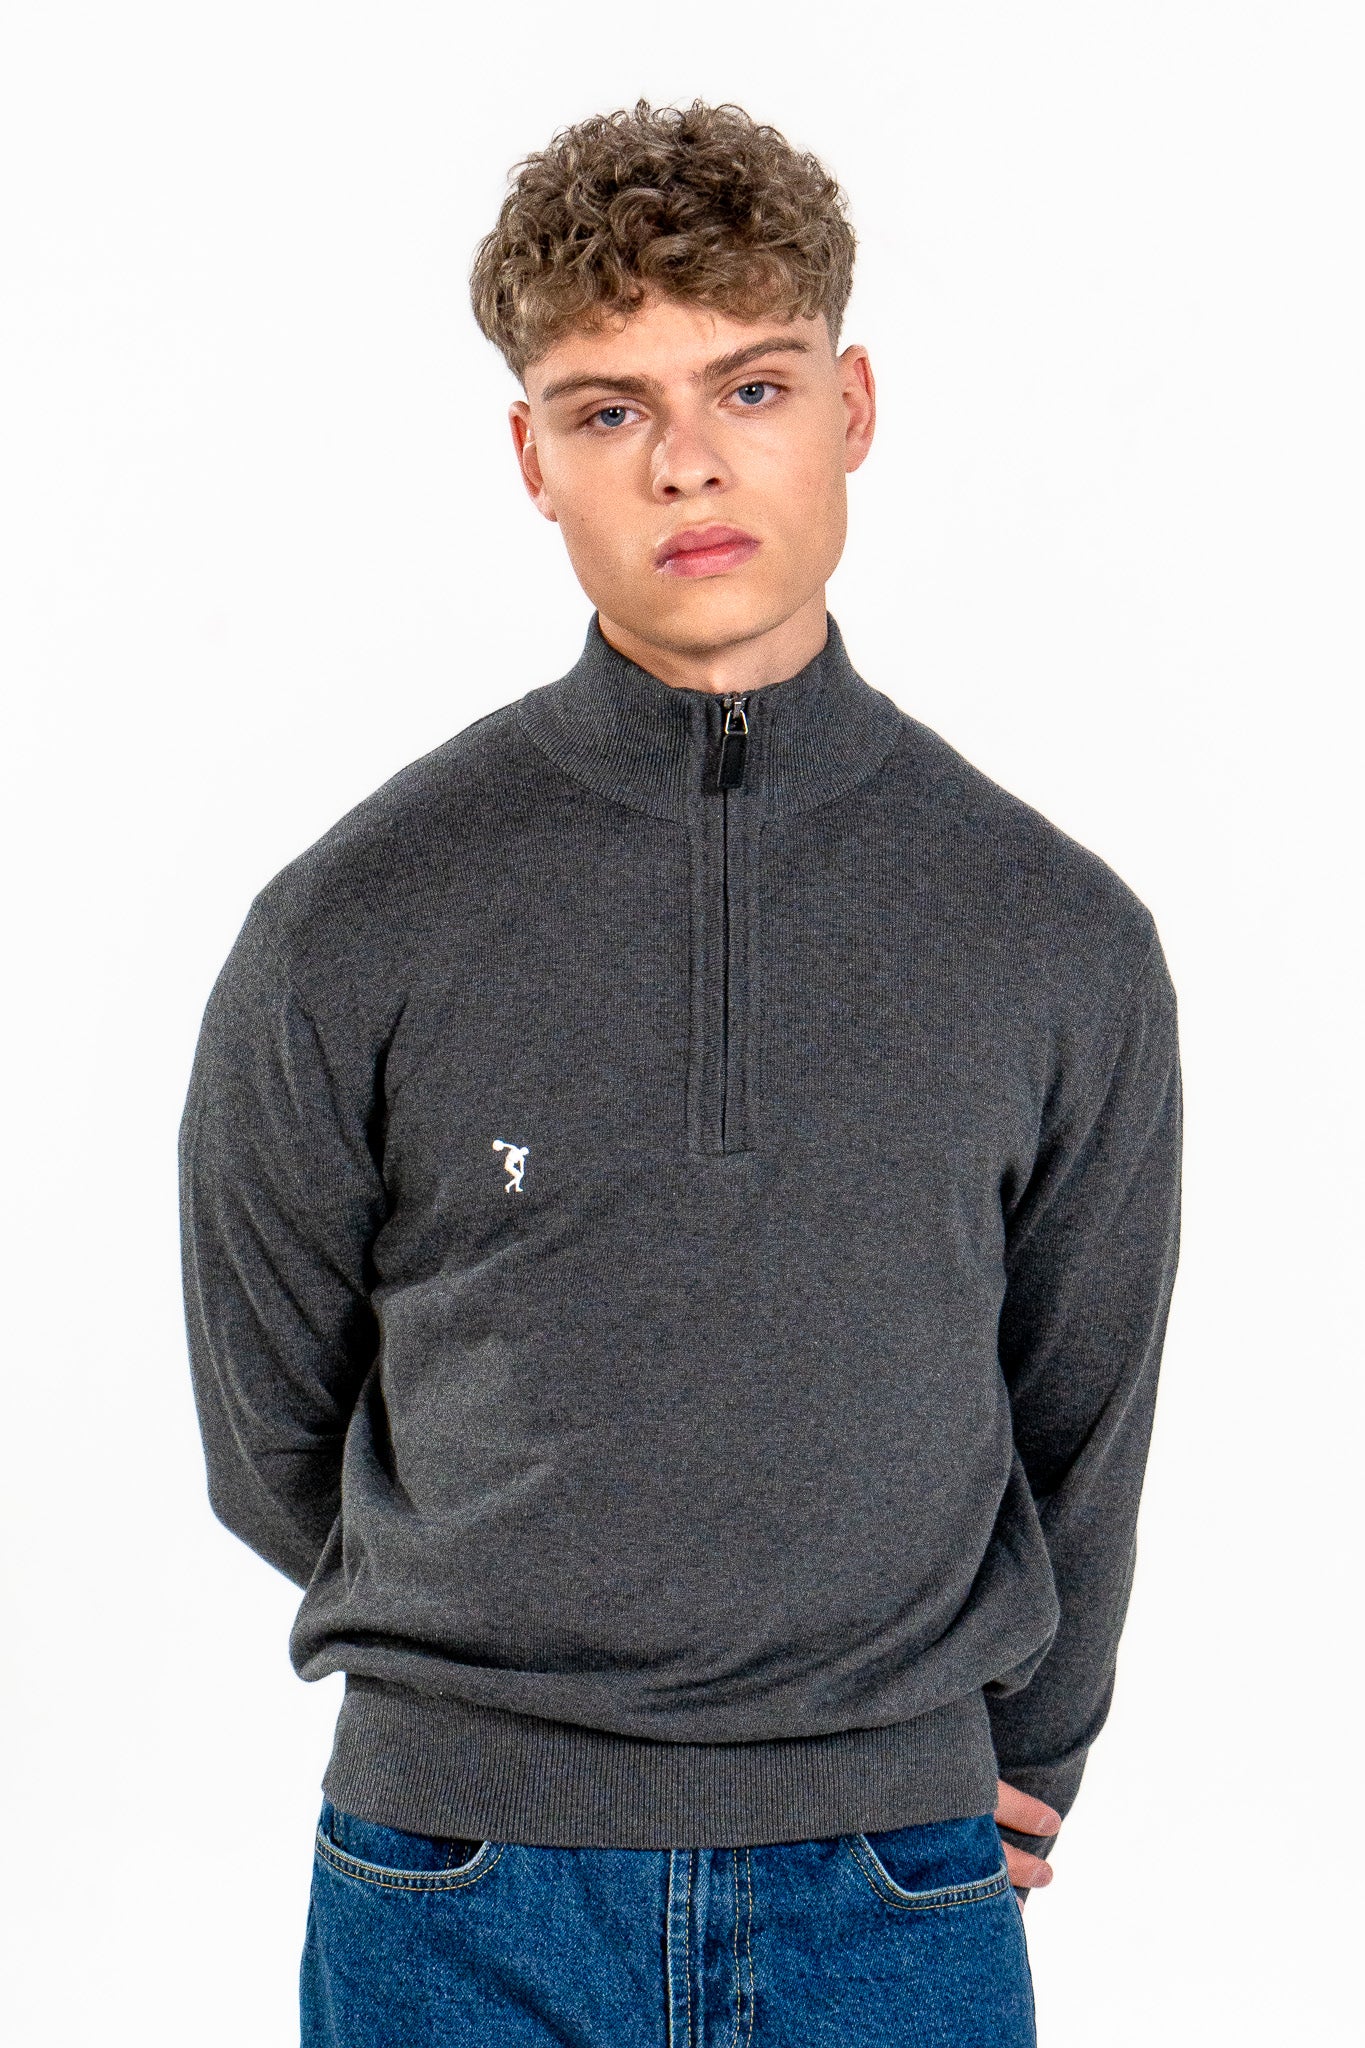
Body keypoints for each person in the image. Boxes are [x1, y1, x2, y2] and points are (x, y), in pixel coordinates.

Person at [178, 98, 1183, 2046]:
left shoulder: (1051, 932)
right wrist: (512, 1671)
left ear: (850, 407)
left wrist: (1019, 1748)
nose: (688, 462)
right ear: (530, 458)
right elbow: (264, 1427)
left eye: (750, 385)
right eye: (608, 408)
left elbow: (1083, 1410)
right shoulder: (353, 919)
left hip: (895, 1880)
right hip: (455, 1885)